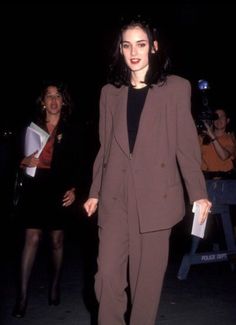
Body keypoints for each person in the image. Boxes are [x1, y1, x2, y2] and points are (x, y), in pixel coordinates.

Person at [83, 16, 212, 325]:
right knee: (107, 277)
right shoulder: (108, 93)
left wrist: (199, 194)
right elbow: (105, 149)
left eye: (140, 44)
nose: (134, 52)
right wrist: (95, 192)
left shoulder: (176, 88)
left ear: (153, 47)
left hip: (157, 198)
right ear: (120, 50)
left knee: (147, 286)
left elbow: (185, 146)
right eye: (127, 45)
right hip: (115, 198)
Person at [12, 80, 80, 318]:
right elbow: (13, 154)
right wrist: (23, 161)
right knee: (31, 237)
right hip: (35, 187)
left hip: (59, 188)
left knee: (57, 241)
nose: (53, 101)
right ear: (42, 101)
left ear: (63, 101)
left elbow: (80, 162)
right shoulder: (31, 126)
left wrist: (75, 189)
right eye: (49, 96)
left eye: (58, 96)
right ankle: (22, 297)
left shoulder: (71, 128)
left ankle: (54, 286)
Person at [199, 107, 236, 177]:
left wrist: (212, 136)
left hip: (225, 179)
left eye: (222, 116)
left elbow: (224, 156)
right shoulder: (202, 138)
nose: (219, 119)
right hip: (207, 179)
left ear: (227, 120)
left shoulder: (231, 139)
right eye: (216, 116)